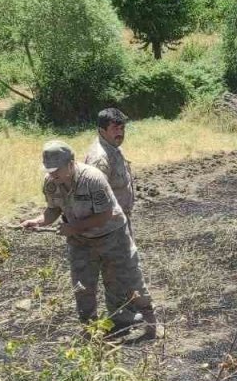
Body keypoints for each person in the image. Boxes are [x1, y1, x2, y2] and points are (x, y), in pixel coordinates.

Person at [21, 140, 157, 339]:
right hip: (81, 241)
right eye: (49, 170)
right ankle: (90, 332)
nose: (52, 174)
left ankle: (151, 326)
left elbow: (105, 215)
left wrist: (73, 227)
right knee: (82, 287)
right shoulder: (51, 183)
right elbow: (53, 210)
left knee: (126, 280)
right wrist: (38, 221)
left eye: (56, 169)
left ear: (71, 163)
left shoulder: (93, 179)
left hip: (113, 236)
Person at [84, 108, 136, 224]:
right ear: (102, 131)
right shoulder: (100, 159)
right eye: (115, 129)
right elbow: (97, 198)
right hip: (109, 225)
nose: (120, 133)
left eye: (122, 128)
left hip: (120, 218)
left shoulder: (113, 147)